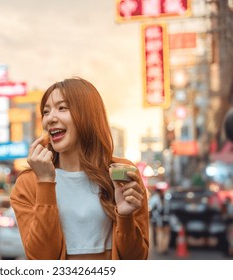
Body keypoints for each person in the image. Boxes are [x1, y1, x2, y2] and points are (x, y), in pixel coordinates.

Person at [10, 77, 149, 260]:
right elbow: (41, 259)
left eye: (62, 108)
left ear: (87, 114)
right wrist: (45, 182)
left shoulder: (121, 173)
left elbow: (137, 259)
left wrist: (125, 217)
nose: (50, 119)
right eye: (46, 111)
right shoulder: (28, 182)